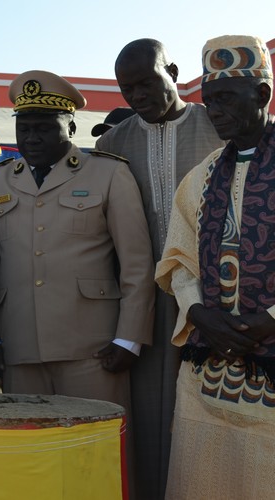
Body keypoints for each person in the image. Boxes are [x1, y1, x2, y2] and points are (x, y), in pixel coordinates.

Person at [0, 69, 154, 420]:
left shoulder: (108, 174)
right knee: (30, 448)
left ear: (71, 128)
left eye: (45, 128)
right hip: (18, 349)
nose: (32, 138)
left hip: (94, 349)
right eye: (24, 128)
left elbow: (137, 264)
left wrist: (129, 339)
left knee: (96, 445)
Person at [95, 38, 226, 499]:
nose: (137, 96)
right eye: (126, 88)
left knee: (210, 404)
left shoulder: (218, 124)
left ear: (172, 71)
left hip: (214, 296)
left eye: (147, 83)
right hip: (144, 299)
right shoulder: (113, 142)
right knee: (149, 408)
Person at [155, 35, 275, 499]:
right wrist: (200, 313)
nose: (214, 111)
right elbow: (179, 259)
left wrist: (269, 319)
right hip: (209, 376)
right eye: (209, 101)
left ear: (262, 95)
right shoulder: (202, 176)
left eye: (225, 98)